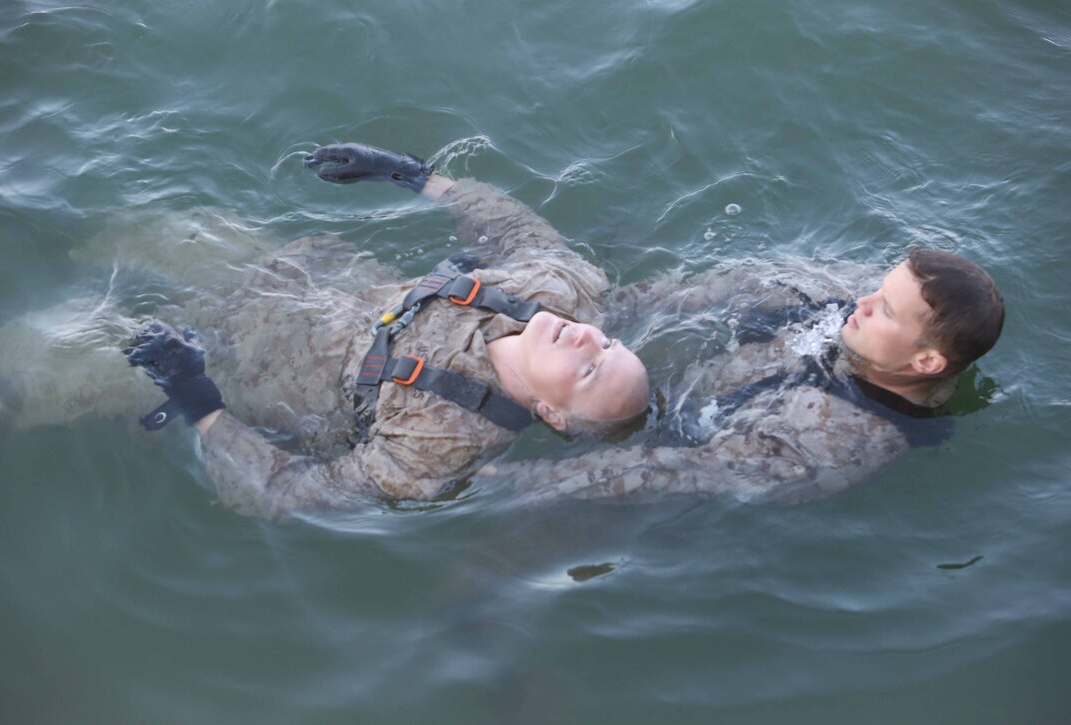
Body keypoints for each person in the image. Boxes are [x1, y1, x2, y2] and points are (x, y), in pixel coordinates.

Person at [116, 142, 651, 519]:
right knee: (119, 227)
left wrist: (199, 401)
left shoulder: (436, 448)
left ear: (551, 413)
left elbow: (289, 494)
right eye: (606, 344)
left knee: (42, 357)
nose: (585, 338)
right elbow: (513, 227)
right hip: (284, 271)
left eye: (588, 371)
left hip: (226, 361)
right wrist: (410, 175)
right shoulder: (562, 292)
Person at [479, 246, 1004, 504]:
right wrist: (601, 320)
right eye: (879, 289)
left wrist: (522, 481)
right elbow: (735, 281)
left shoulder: (845, 438)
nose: (863, 301)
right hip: (669, 378)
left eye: (886, 309)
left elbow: (678, 473)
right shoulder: (858, 305)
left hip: (662, 444)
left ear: (927, 363)